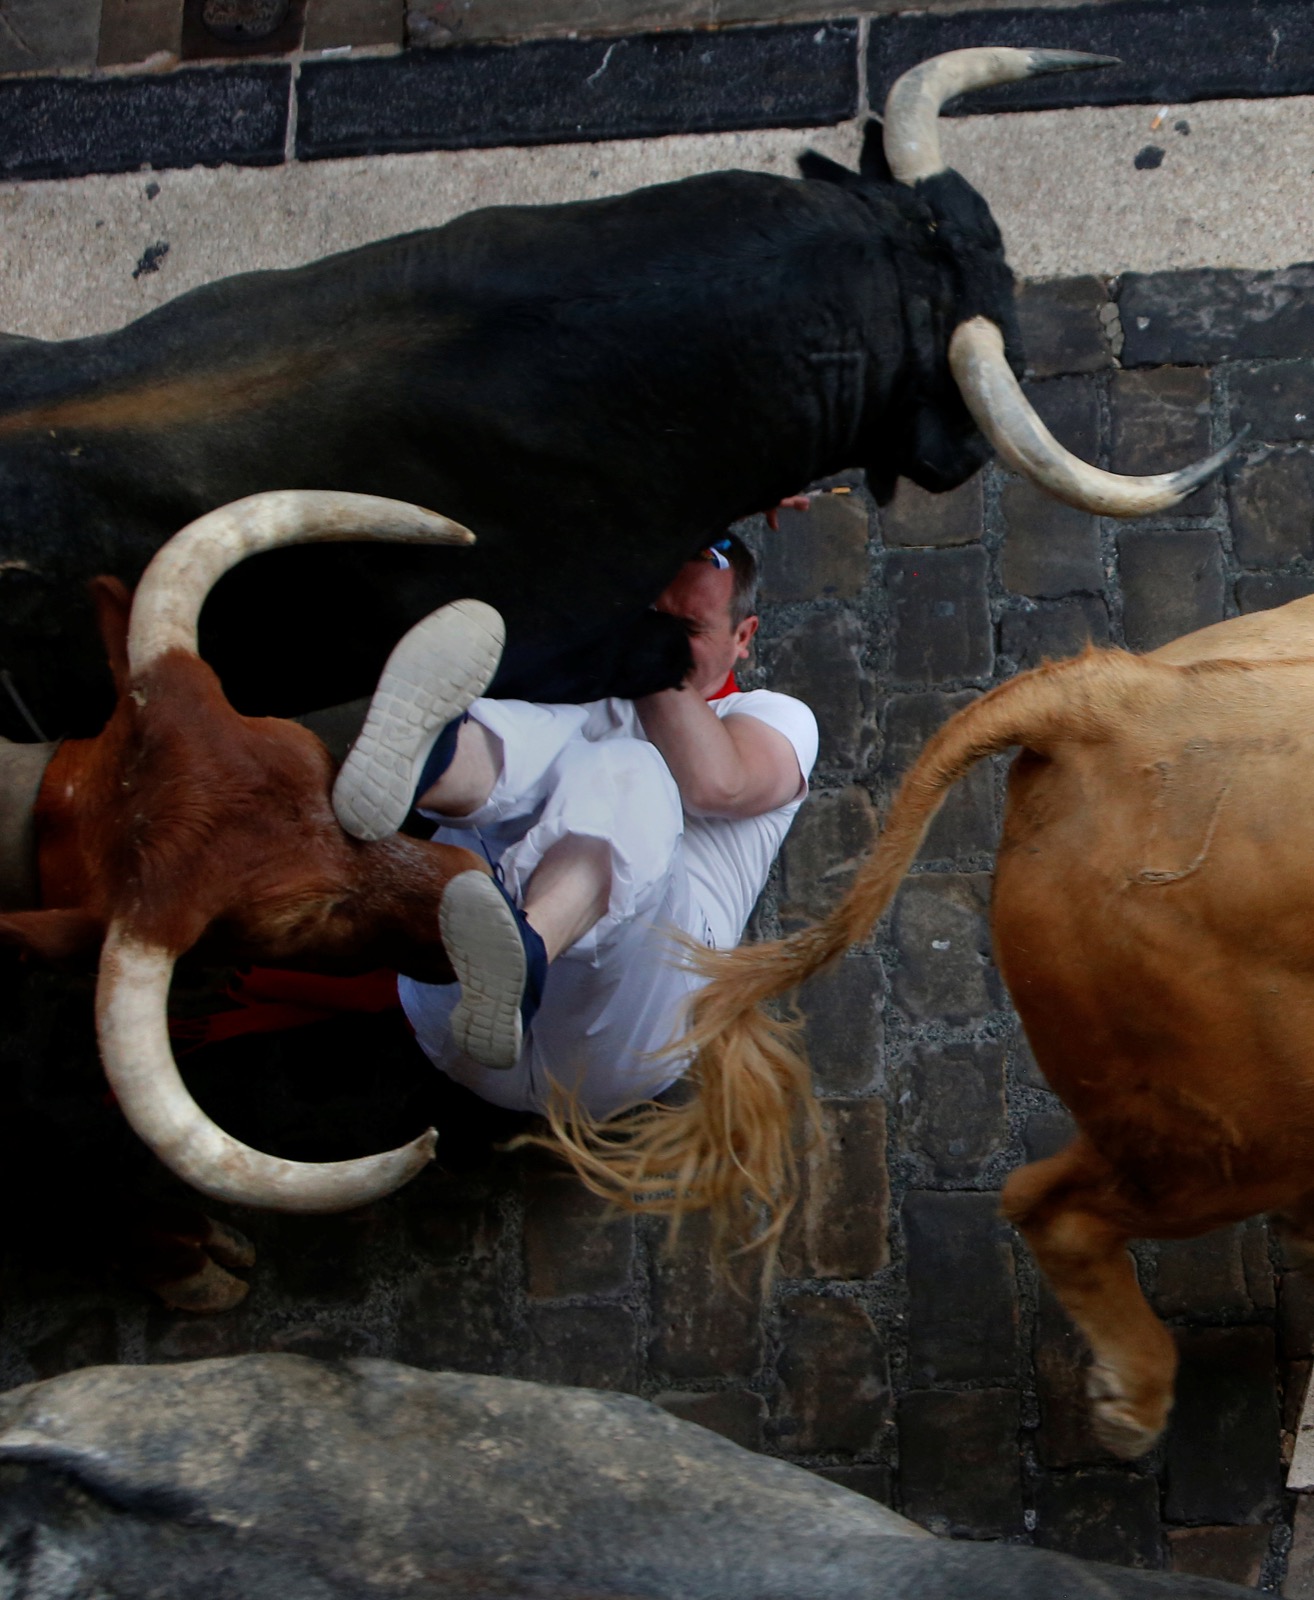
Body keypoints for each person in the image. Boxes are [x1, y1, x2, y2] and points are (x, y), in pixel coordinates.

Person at [332, 531, 818, 1127]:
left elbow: (718, 786)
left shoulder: (772, 717)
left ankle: (524, 949)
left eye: (685, 631)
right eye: (647, 619)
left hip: (630, 1037)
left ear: (743, 637)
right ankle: (427, 762)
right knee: (556, 725)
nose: (657, 641)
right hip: (453, 1010)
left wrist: (639, 645)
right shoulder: (581, 689)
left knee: (631, 768)